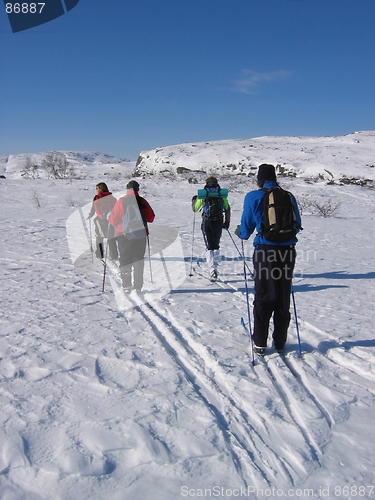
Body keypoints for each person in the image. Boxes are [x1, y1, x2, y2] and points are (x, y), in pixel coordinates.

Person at [235, 164, 302, 355]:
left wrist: (240, 232)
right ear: (275, 178)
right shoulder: (288, 196)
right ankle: (280, 342)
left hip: (265, 251)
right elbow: (297, 225)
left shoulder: (253, 197)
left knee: (264, 294)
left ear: (260, 179)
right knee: (282, 294)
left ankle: (260, 343)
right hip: (288, 251)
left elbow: (246, 229)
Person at [108, 180, 155, 293]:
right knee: (138, 259)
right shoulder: (142, 201)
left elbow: (114, 221)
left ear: (127, 189)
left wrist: (110, 217)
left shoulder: (121, 201)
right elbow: (151, 218)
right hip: (141, 235)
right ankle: (138, 286)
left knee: (125, 260)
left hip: (124, 235)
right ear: (138, 189)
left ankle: (126, 286)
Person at [192, 176, 230, 281]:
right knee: (216, 245)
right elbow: (227, 208)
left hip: (207, 221)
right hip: (218, 221)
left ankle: (211, 269)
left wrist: (194, 200)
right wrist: (227, 222)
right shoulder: (221, 194)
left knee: (209, 246)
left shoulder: (203, 194)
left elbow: (195, 209)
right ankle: (215, 268)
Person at [87, 182, 118, 260]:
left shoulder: (97, 197)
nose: (96, 190)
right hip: (111, 219)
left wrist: (90, 215)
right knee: (111, 237)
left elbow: (93, 208)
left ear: (101, 188)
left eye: (97, 188)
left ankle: (99, 254)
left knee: (99, 236)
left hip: (100, 220)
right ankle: (114, 255)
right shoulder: (111, 197)